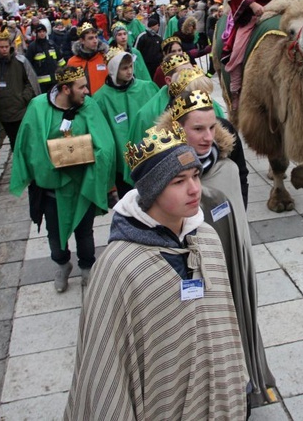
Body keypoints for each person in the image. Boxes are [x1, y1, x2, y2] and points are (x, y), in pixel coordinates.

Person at [64, 122, 248, 420]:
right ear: (152, 191)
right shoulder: (118, 266)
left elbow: (224, 322)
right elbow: (105, 362)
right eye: (178, 182)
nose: (194, 189)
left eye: (196, 176)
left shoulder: (208, 240)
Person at [157, 89, 270, 406]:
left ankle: (240, 389)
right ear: (178, 129)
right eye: (197, 129)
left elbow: (237, 229)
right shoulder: (162, 179)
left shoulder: (228, 170)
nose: (208, 137)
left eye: (211, 127)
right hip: (187, 281)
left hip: (229, 272)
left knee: (233, 326)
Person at [10, 66, 115, 292]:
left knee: (85, 233)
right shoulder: (38, 107)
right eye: (82, 87)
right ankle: (62, 264)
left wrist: (76, 153)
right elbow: (30, 146)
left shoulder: (89, 106)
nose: (87, 91)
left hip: (82, 187)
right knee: (55, 236)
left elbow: (105, 146)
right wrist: (59, 156)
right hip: (52, 191)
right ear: (65, 89)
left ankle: (87, 268)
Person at [225, 0, 291, 109]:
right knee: (237, 51)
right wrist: (253, 5)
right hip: (253, 15)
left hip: (276, 11)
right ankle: (236, 91)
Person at [93, 47, 159, 198]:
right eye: (124, 68)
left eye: (130, 66)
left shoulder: (147, 87)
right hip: (122, 165)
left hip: (150, 157)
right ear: (113, 70)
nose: (129, 71)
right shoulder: (101, 99)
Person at [0, 31, 41, 150]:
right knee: (13, 139)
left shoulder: (21, 61)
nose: (4, 49)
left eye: (6, 46)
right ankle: (17, 162)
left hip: (20, 107)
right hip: (3, 108)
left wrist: (24, 97)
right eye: (1, 47)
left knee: (25, 137)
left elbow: (31, 82)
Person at [66, 22, 109, 94]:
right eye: (90, 38)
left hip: (103, 100)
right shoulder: (72, 62)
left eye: (96, 37)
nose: (95, 41)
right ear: (82, 41)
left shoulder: (105, 57)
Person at [25, 23, 66, 93]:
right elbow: (28, 64)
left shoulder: (52, 44)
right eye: (40, 32)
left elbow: (60, 60)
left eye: (43, 31)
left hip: (55, 80)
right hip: (42, 83)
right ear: (36, 33)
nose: (42, 34)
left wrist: (65, 71)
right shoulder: (33, 47)